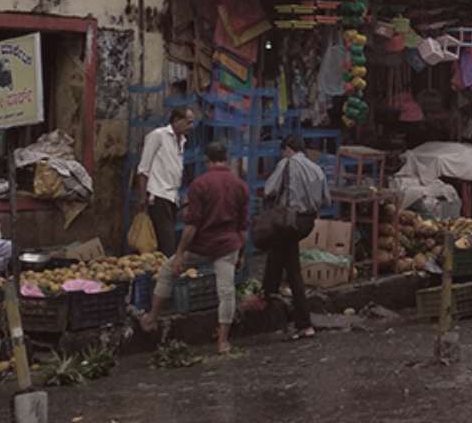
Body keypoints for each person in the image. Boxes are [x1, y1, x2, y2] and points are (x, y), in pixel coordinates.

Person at [139, 141, 250, 354]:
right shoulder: (240, 186)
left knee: (166, 272)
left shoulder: (200, 185)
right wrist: (242, 254)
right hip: (228, 246)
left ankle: (151, 318)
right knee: (226, 292)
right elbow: (243, 226)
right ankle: (223, 341)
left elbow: (191, 226)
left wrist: (179, 254)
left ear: (206, 160)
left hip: (202, 245)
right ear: (226, 157)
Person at [261, 133, 330, 340]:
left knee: (293, 271)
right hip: (307, 221)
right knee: (280, 250)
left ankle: (303, 323)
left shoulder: (287, 164)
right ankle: (269, 291)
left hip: (289, 220)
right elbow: (326, 200)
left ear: (288, 150)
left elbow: (269, 189)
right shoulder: (316, 169)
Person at [135, 105, 196, 256]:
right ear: (176, 120)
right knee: (166, 241)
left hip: (172, 196)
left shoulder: (182, 140)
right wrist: (143, 196)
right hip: (158, 194)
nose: (191, 126)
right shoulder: (158, 136)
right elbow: (143, 168)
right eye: (188, 122)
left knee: (165, 239)